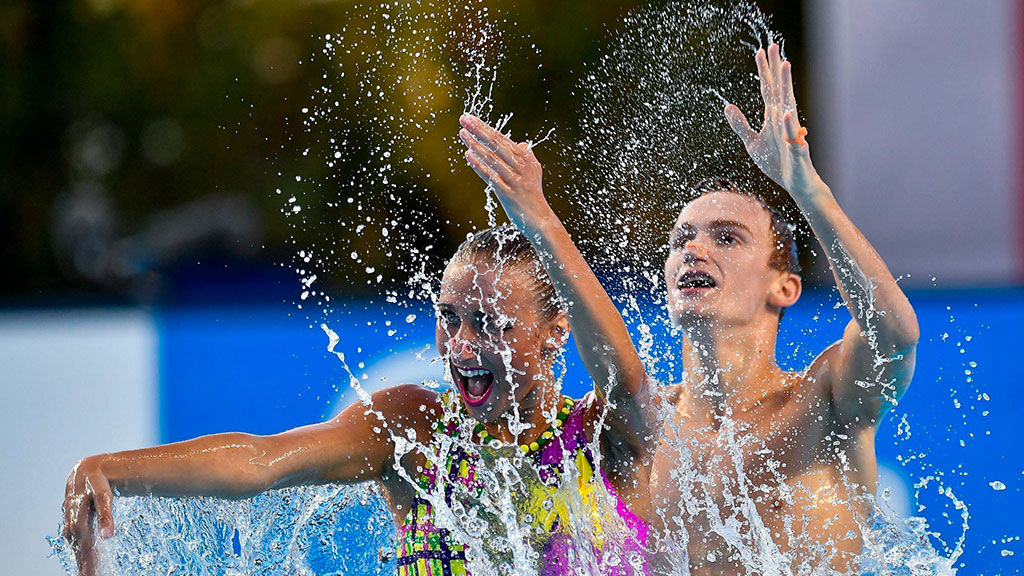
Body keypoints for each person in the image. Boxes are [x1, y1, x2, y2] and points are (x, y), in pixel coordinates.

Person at [459, 43, 919, 575]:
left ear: (785, 288)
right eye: (682, 239)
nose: (695, 250)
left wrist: (807, 191)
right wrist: (539, 221)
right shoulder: (642, 425)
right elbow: (616, 380)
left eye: (727, 237)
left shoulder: (824, 403)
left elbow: (894, 336)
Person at [62, 225, 654, 576]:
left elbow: (630, 380)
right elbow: (263, 460)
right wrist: (113, 469)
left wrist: (540, 215)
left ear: (558, 329)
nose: (463, 346)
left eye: (491, 323)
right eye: (449, 318)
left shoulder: (610, 438)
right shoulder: (415, 431)